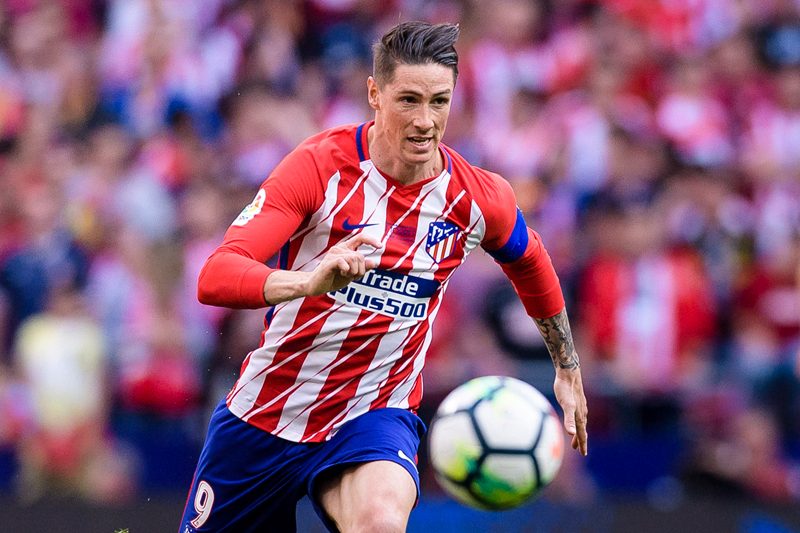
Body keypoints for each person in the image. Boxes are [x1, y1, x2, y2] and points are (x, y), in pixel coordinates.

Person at [180, 21, 588, 533]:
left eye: (439, 102)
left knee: (379, 522)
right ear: (374, 93)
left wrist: (567, 366)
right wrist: (306, 282)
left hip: (375, 414)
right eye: (408, 100)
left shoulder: (476, 198)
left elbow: (530, 261)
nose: (425, 121)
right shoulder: (319, 168)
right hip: (269, 411)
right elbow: (216, 275)